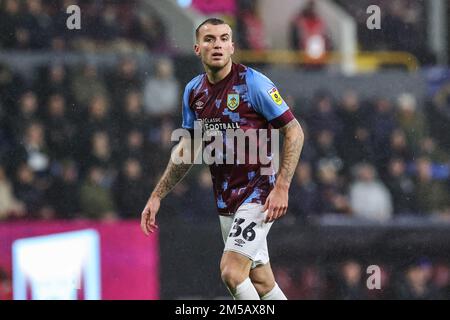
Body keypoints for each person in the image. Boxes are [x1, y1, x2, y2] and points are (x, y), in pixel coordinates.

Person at [140, 18, 304, 300]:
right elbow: (188, 149)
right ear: (197, 48)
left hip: (259, 194)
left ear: (232, 47)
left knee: (231, 271)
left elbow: (294, 131)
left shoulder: (253, 83)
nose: (217, 45)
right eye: (209, 39)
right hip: (227, 199)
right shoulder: (194, 91)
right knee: (261, 281)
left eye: (223, 39)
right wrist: (157, 194)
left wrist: (282, 187)